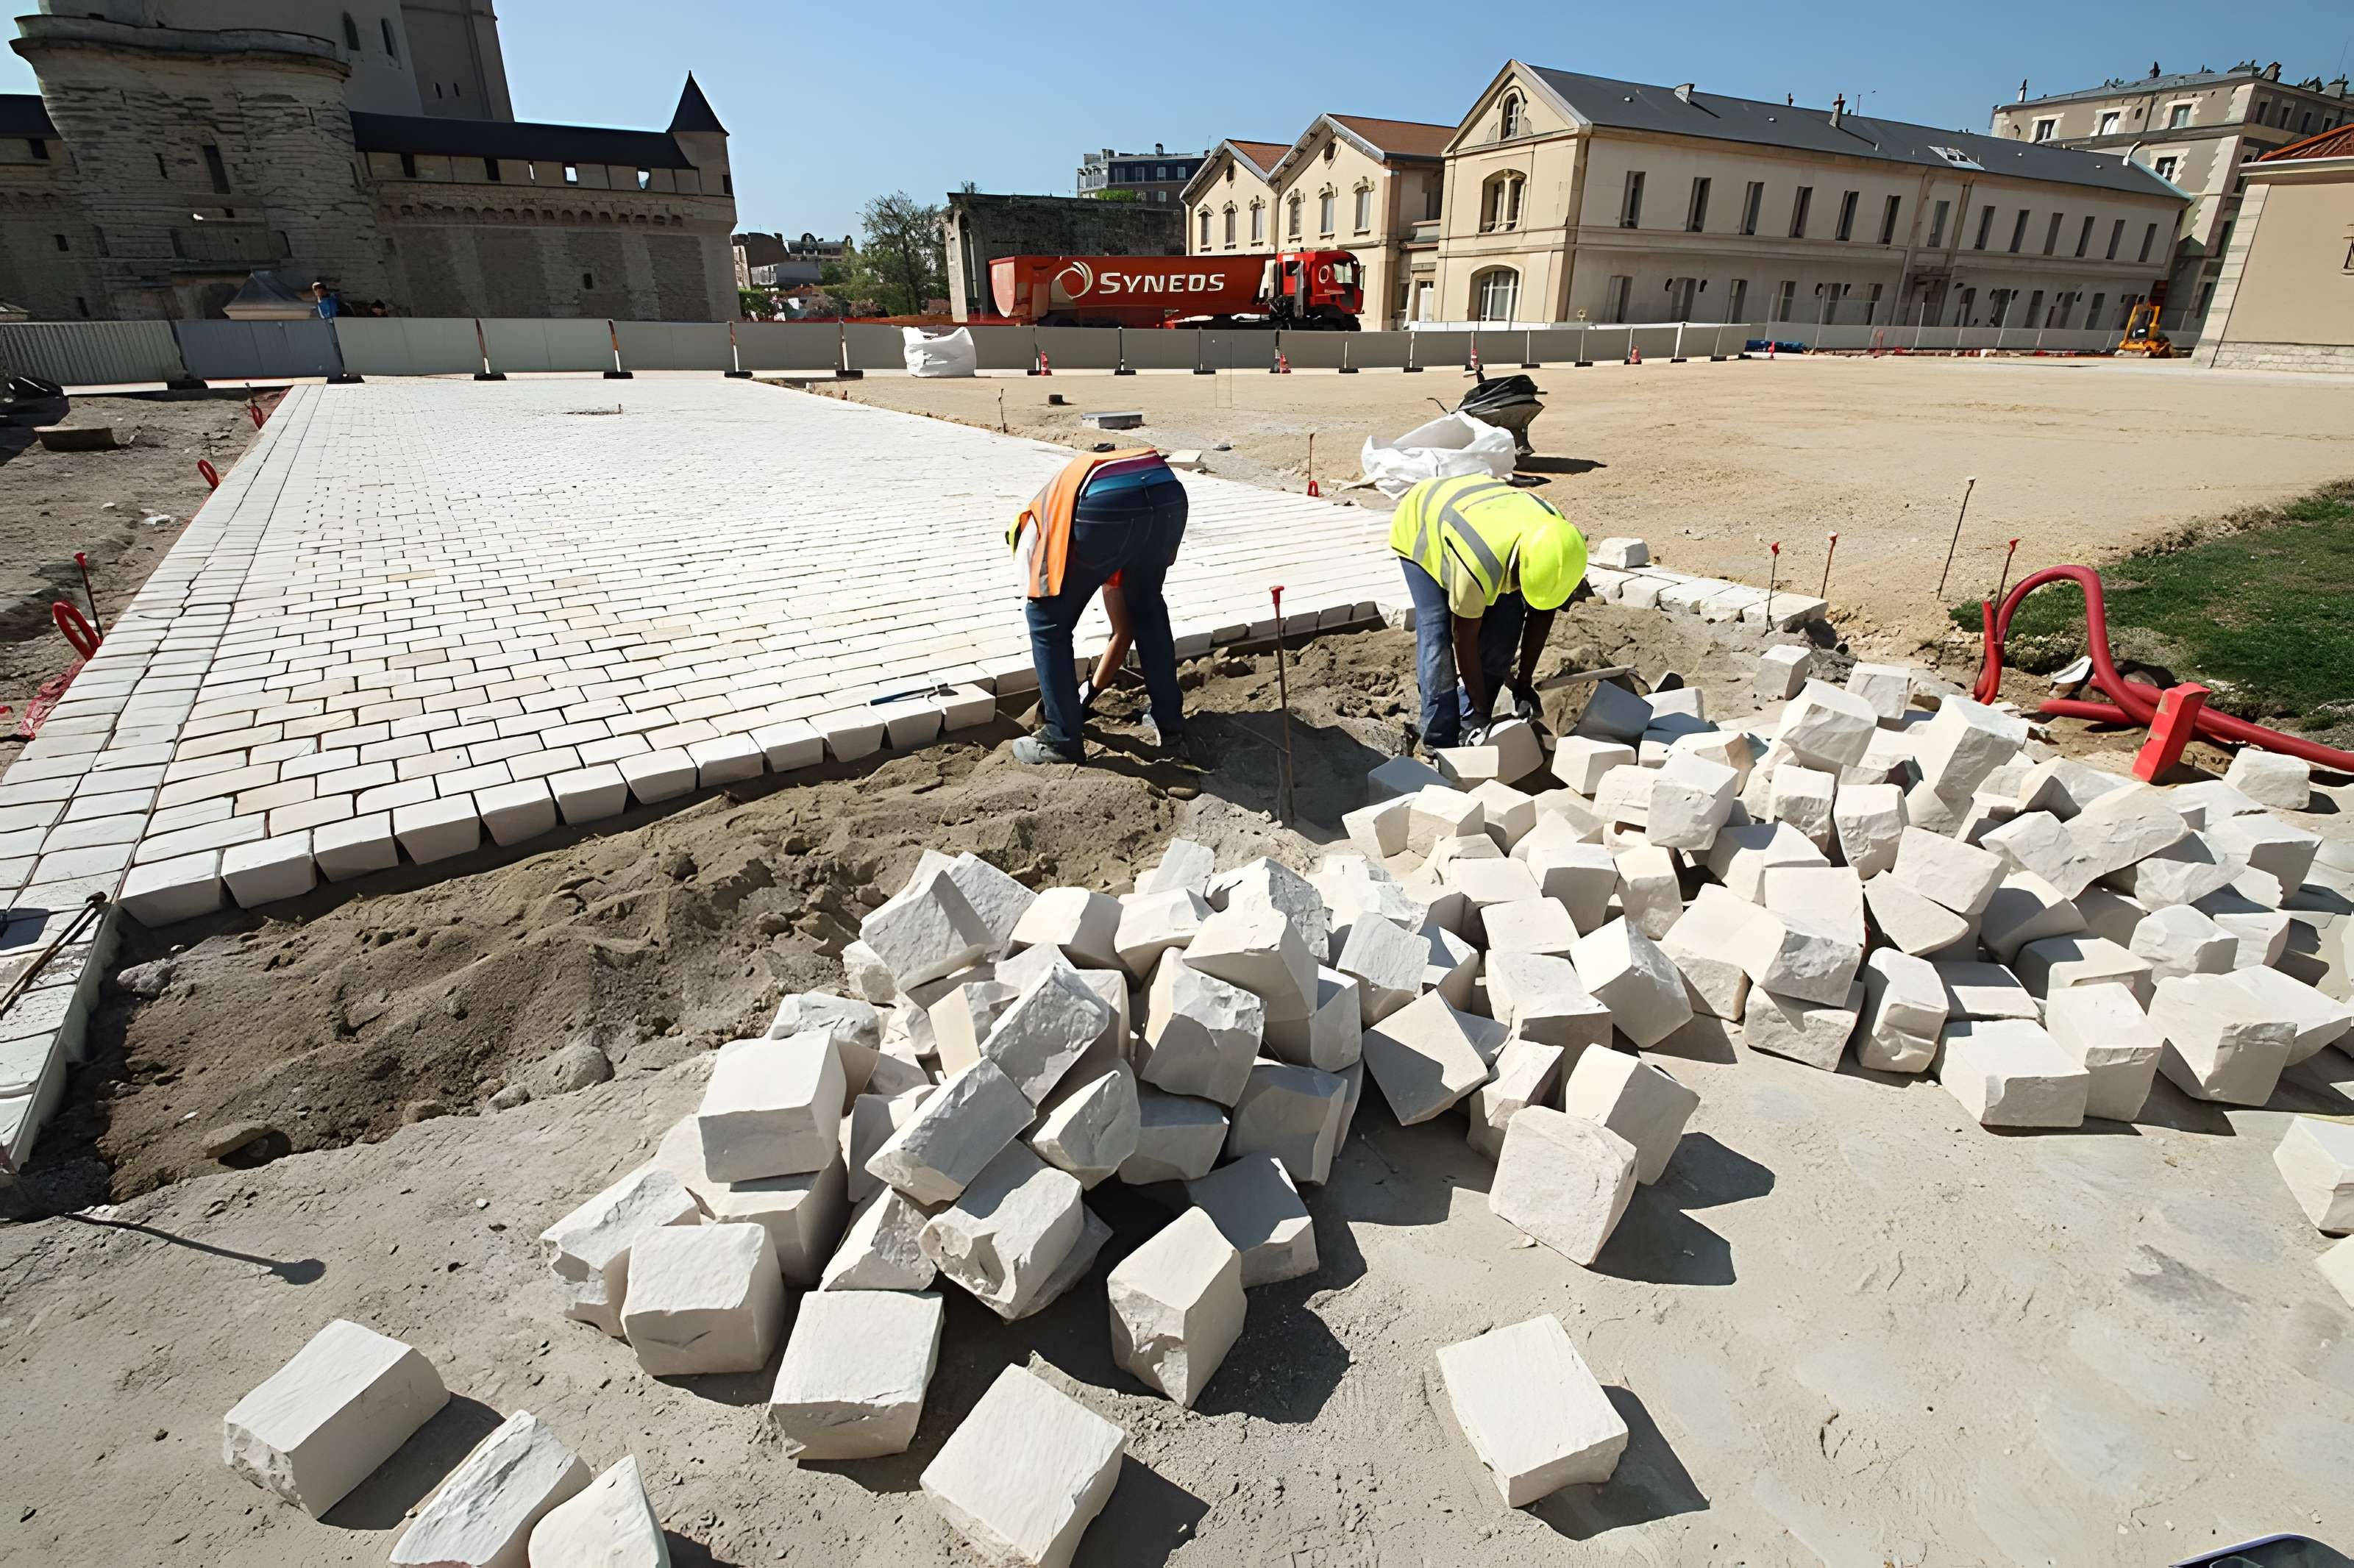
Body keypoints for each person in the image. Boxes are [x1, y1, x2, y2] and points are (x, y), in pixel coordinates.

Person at [1007, 448, 1188, 765]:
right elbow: (1125, 629)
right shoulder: (1074, 516)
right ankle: (1170, 724)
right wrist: (1088, 692)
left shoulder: (1047, 525)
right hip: (1168, 493)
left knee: (1046, 620)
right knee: (1146, 607)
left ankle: (1060, 740)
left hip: (1110, 504)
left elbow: (1045, 604)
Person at [1387, 472, 1587, 752]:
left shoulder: (1559, 541)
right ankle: (1439, 741)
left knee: (1507, 621)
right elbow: (1463, 639)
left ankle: (1469, 722)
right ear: (1519, 566)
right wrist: (1483, 709)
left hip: (1481, 515)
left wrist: (1523, 684)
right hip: (1423, 520)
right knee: (1437, 632)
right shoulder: (1480, 563)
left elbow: (1542, 612)